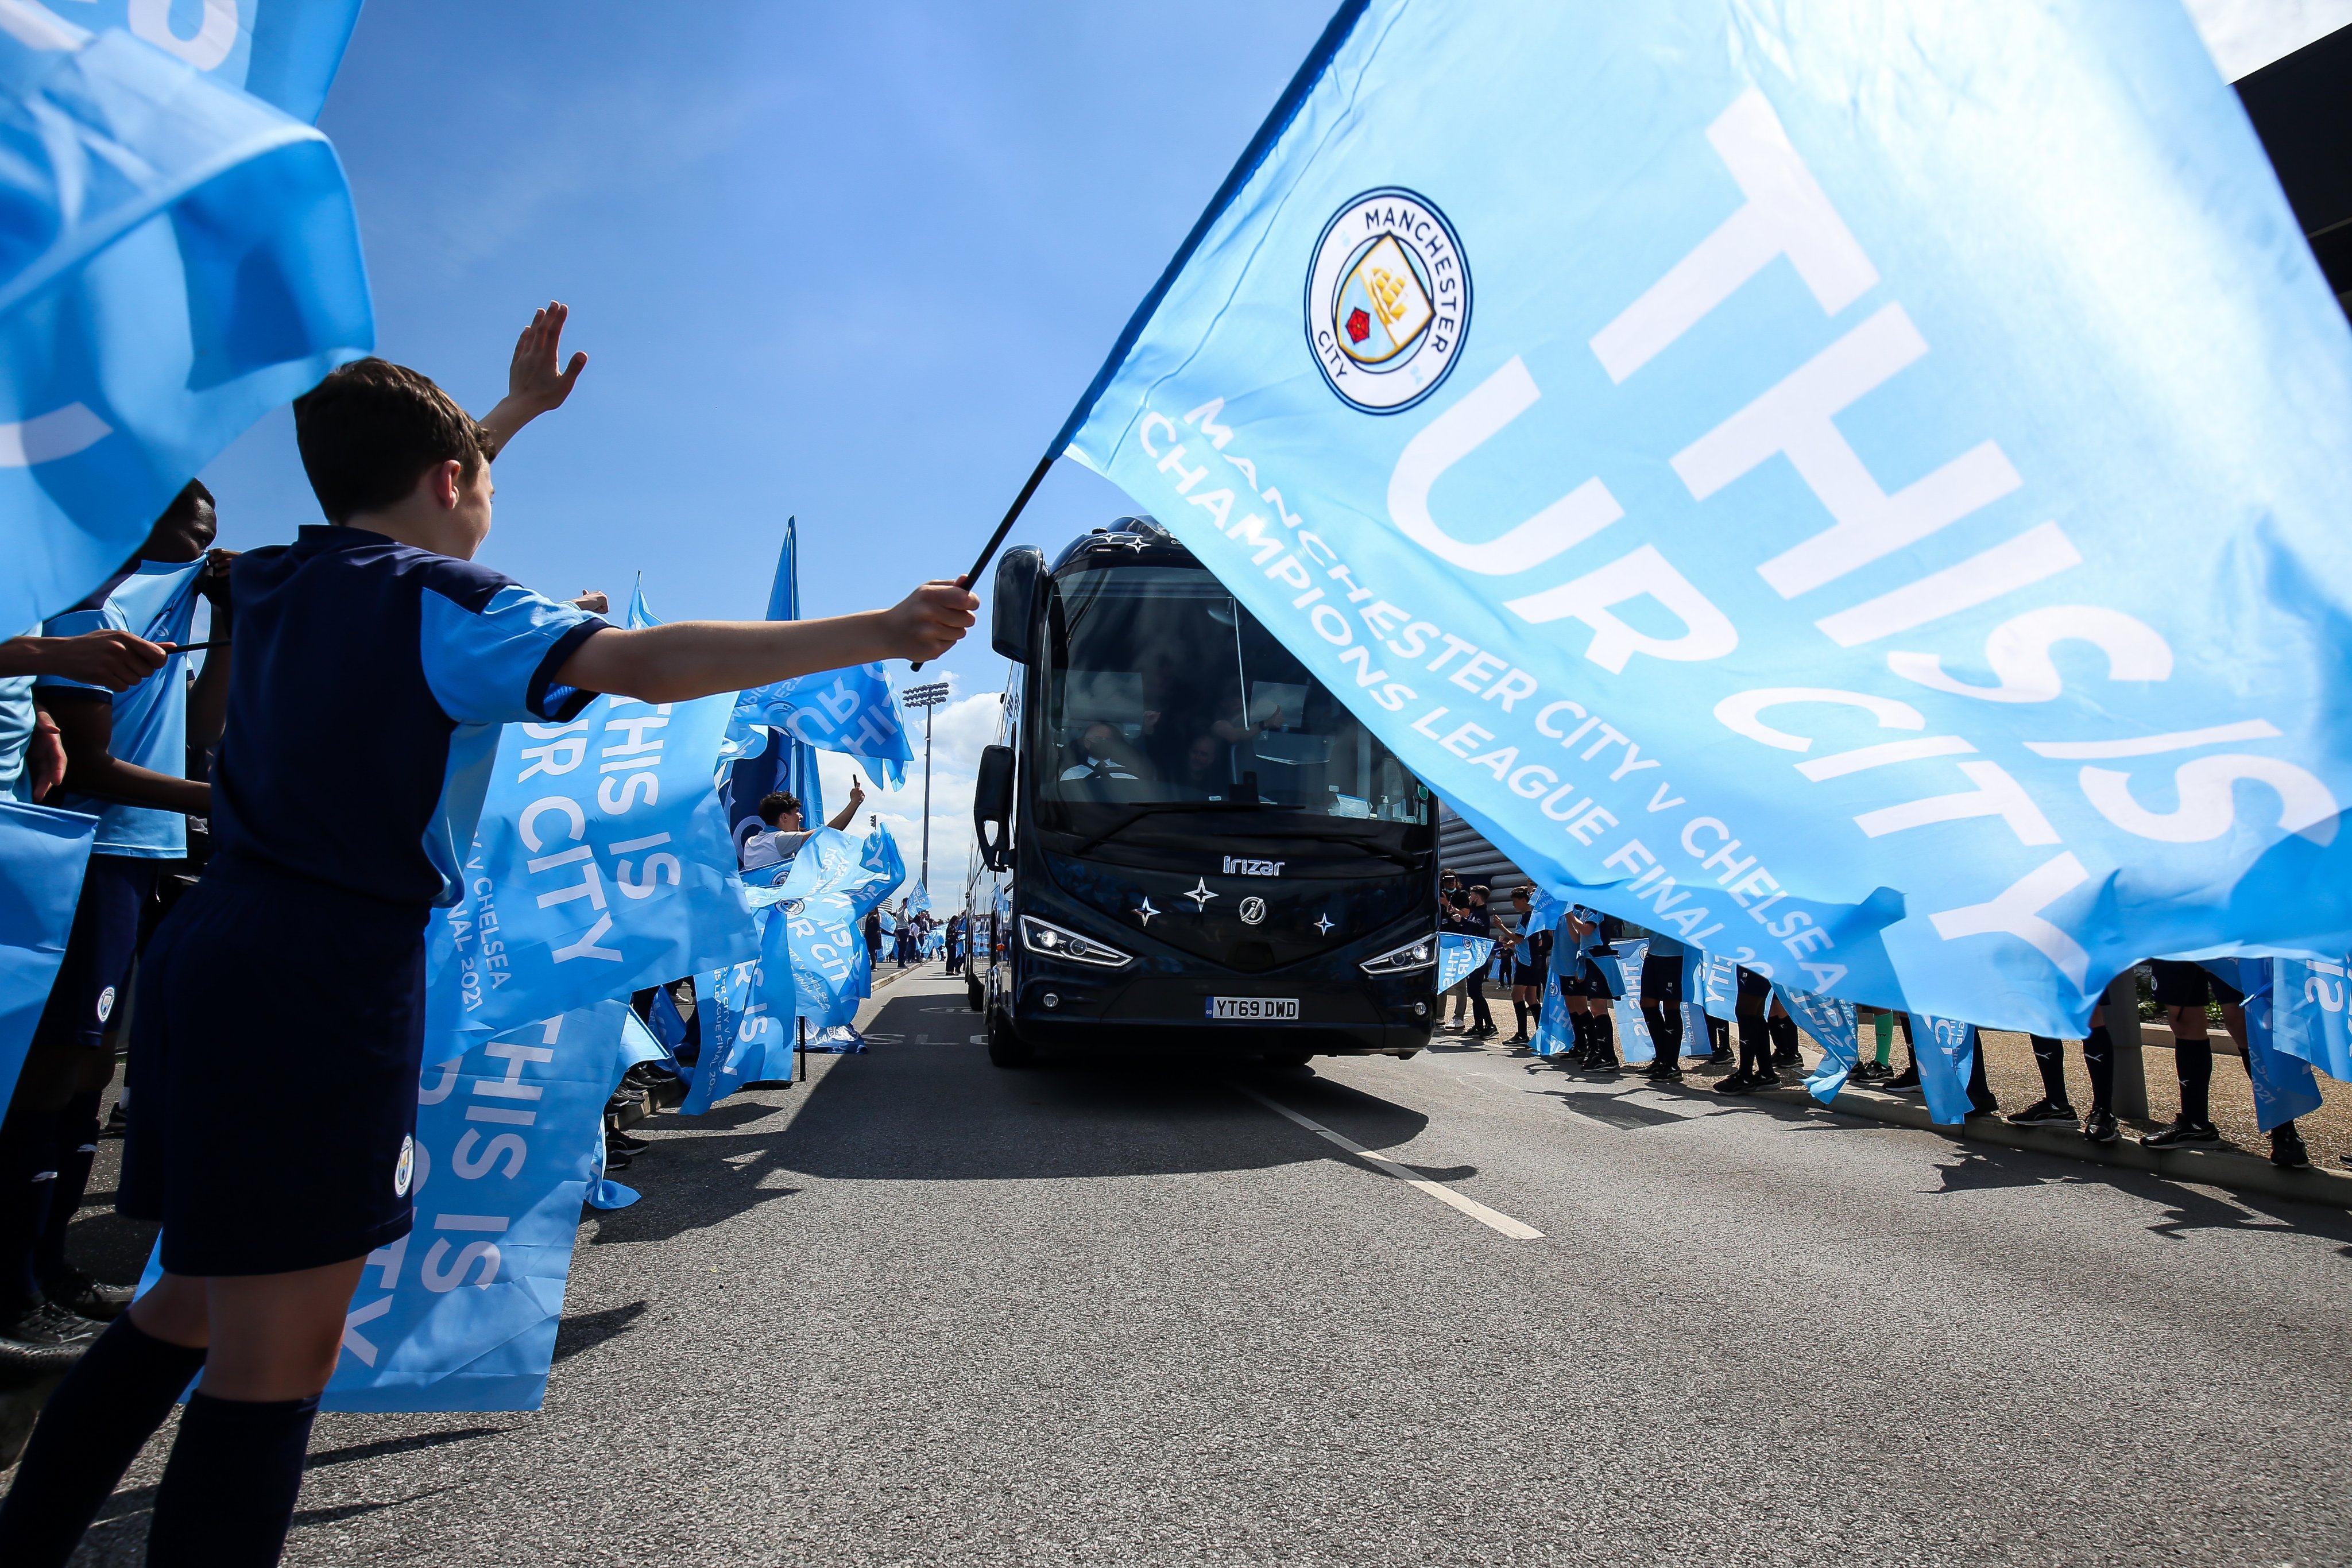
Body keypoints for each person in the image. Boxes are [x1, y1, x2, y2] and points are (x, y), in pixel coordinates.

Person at [0, 306, 976, 1566]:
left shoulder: (288, 576)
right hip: (324, 976)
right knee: (275, 1354)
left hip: (214, 950)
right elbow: (647, 662)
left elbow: (394, 481)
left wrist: (501, 418)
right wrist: (879, 632)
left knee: (188, 1301)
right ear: (456, 481)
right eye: (487, 475)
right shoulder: (444, 599)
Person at [0, 483, 233, 1360]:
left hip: (139, 856)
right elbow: (92, 766)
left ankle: (49, 1269)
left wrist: (233, 624)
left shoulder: (153, 602)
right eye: (187, 533)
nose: (198, 548)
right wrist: (234, 800)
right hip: (80, 852)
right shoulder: (77, 608)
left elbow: (196, 726)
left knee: (88, 1072)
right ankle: (15, 1290)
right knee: (50, 1072)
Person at [738, 778, 864, 879]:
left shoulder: (751, 842)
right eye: (796, 812)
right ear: (785, 817)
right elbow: (827, 832)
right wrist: (854, 803)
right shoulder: (780, 840)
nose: (801, 816)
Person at [1637, 927, 1689, 1082]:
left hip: (1675, 956)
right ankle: (1661, 1058)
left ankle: (1672, 1065)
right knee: (1647, 1004)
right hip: (1653, 954)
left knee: (1671, 1007)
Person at [1502, 886, 1548, 1045]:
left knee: (1517, 995)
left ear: (1524, 900)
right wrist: (1514, 946)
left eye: (1515, 902)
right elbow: (1534, 941)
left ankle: (1522, 1034)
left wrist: (1501, 927)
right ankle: (1542, 1033)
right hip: (1533, 961)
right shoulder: (1534, 917)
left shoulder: (1526, 917)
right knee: (1531, 997)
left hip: (1526, 963)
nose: (1513, 905)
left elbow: (1520, 938)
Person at [1059, 721, 1145, 783]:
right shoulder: (1072, 774)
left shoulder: (1128, 774)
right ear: (1086, 743)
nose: (1104, 742)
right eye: (1098, 739)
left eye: (1108, 739)